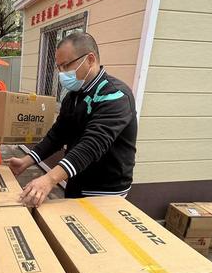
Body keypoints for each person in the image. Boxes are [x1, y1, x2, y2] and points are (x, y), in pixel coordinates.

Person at [8, 32, 137, 207]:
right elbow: (58, 134)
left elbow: (92, 144)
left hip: (104, 189)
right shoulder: (73, 96)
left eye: (66, 65)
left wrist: (49, 179)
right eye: (59, 67)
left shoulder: (115, 95)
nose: (61, 73)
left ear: (90, 59)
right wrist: (27, 161)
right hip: (76, 177)